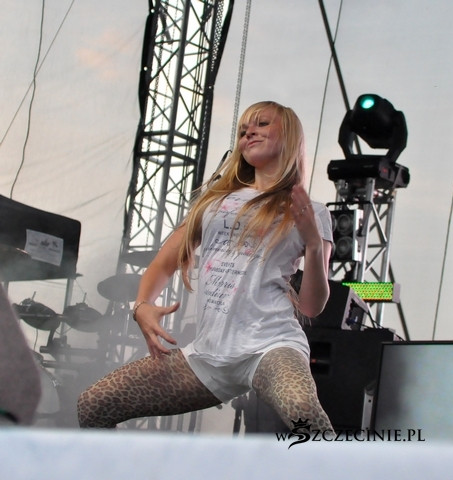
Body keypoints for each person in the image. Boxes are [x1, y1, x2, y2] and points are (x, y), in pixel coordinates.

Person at [77, 100, 334, 433]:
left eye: (261, 124)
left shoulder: (312, 212)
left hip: (271, 345)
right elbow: (163, 263)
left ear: (289, 135)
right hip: (207, 358)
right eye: (243, 130)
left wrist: (313, 244)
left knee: (304, 414)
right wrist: (142, 305)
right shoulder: (214, 202)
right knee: (93, 404)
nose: (249, 133)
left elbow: (312, 306)